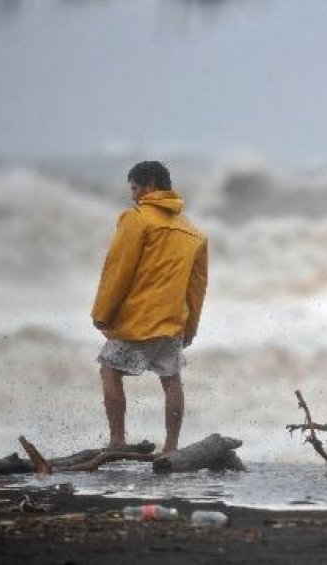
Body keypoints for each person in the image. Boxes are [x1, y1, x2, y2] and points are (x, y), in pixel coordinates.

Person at [91, 161, 208, 453]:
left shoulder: (137, 219)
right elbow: (197, 288)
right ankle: (171, 448)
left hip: (139, 319)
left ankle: (117, 440)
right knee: (171, 379)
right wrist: (190, 327)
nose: (133, 196)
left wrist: (102, 313)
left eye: (135, 188)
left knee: (109, 370)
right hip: (173, 322)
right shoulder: (193, 232)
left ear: (150, 186)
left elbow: (118, 270)